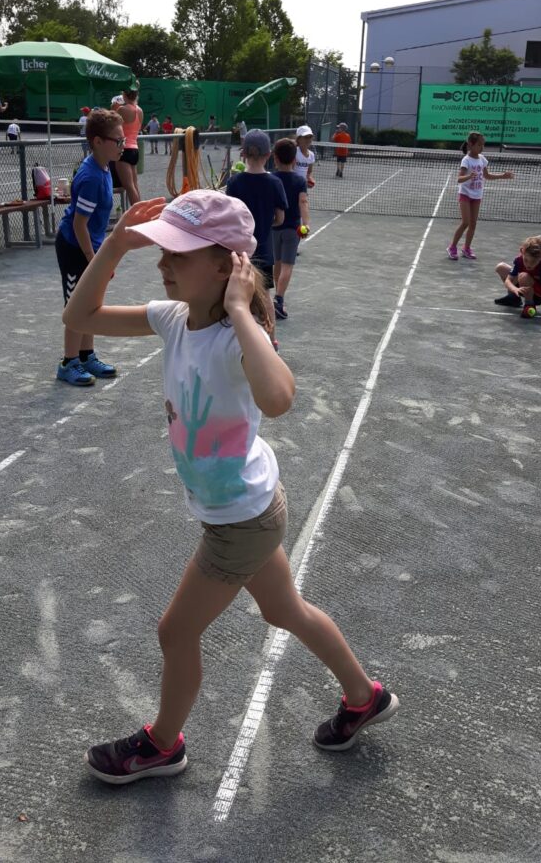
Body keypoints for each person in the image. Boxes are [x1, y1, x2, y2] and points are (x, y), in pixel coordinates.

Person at [60, 189, 399, 783]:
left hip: (239, 519)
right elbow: (80, 317)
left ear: (226, 267)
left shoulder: (236, 336)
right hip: (248, 505)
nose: (163, 263)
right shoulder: (173, 319)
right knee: (285, 610)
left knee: (175, 631)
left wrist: (242, 311)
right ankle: (363, 697)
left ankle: (162, 745)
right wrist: (114, 244)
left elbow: (280, 398)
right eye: (163, 250)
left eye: (179, 254)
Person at [55, 109, 123, 386]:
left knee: (91, 303)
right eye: (117, 140)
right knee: (76, 305)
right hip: (74, 247)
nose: (123, 145)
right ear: (97, 141)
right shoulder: (91, 177)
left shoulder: (105, 167)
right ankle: (68, 363)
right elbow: (79, 225)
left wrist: (101, 259)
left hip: (90, 246)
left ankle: (86, 356)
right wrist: (95, 261)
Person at [225, 129, 287, 351]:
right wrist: (265, 224)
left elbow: (229, 217)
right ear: (268, 155)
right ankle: (272, 340)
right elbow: (280, 219)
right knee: (265, 296)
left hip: (238, 251)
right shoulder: (275, 183)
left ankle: (233, 343)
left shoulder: (234, 182)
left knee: (235, 296)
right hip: (264, 250)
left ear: (243, 154)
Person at [446, 132, 514, 260]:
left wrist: (502, 176)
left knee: (473, 224)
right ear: (471, 145)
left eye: (483, 145)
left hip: (477, 195)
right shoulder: (466, 160)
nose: (482, 147)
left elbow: (487, 176)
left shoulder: (482, 159)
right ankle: (452, 247)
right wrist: (469, 176)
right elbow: (459, 179)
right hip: (465, 194)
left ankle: (466, 248)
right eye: (479, 144)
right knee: (465, 222)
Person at [271, 138, 310, 320]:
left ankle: (277, 297)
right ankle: (279, 299)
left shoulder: (271, 178)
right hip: (293, 229)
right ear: (294, 160)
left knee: (277, 263)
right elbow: (303, 202)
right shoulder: (299, 180)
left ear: (275, 158)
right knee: (287, 266)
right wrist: (306, 224)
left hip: (274, 228)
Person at [494, 235, 541, 324]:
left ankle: (529, 304)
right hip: (523, 287)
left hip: (539, 296)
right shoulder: (519, 260)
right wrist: (514, 289)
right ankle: (513, 298)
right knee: (501, 267)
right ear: (522, 252)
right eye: (526, 260)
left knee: (523, 276)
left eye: (534, 262)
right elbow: (508, 280)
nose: (529, 265)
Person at [112, 89, 144, 205]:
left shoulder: (122, 109)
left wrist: (113, 109)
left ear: (124, 95)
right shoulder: (140, 110)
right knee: (134, 185)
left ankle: (137, 213)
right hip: (134, 149)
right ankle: (140, 211)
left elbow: (111, 125)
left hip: (123, 149)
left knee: (129, 187)